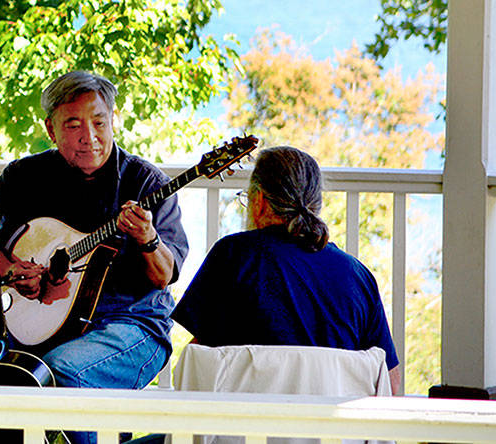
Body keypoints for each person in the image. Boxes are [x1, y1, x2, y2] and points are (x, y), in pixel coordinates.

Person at [0, 71, 188, 441]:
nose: (90, 136)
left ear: (113, 120)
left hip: (130, 324)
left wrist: (147, 236)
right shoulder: (23, 177)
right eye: (73, 125)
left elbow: (164, 276)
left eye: (99, 122)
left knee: (63, 372)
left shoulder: (145, 182)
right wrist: (13, 269)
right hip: (39, 327)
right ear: (51, 130)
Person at [171, 145, 402, 394]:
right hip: (332, 432)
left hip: (245, 431)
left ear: (259, 202)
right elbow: (391, 381)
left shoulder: (233, 256)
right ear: (316, 204)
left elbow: (195, 365)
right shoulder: (358, 276)